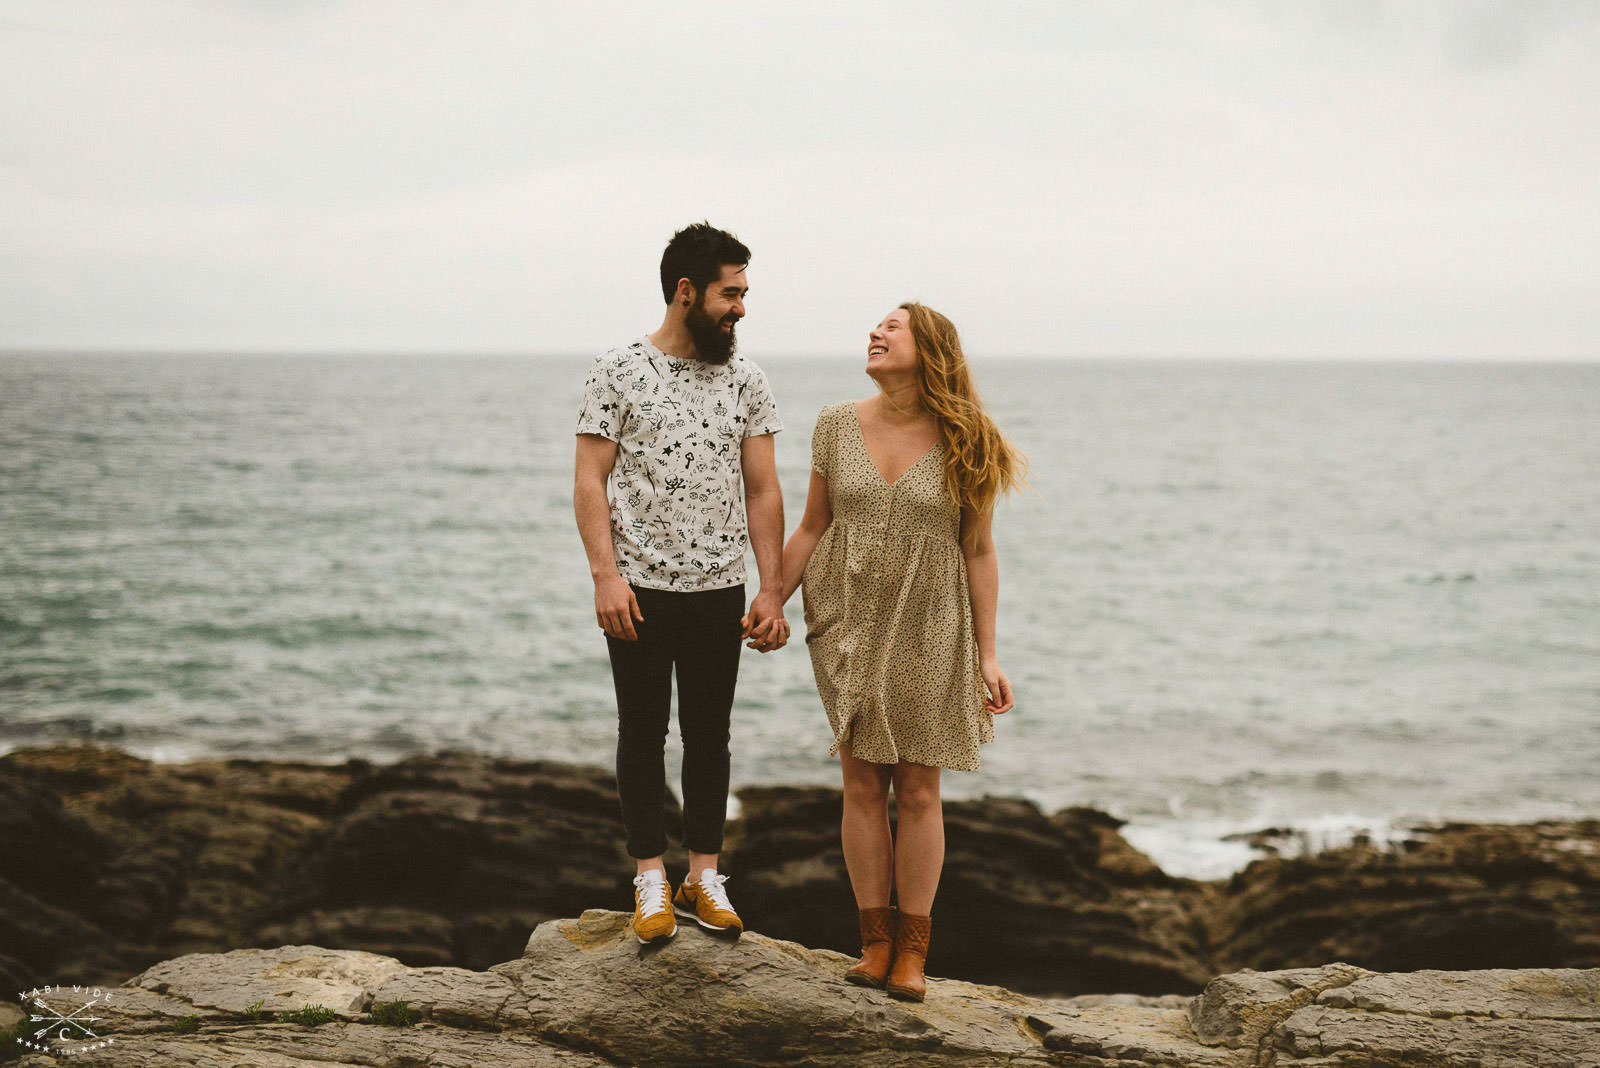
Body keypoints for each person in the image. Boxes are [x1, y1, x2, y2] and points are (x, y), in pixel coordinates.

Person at [778, 302, 1021, 1001]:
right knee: (860, 783)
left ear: (931, 349)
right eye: (874, 326)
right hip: (846, 618)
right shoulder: (834, 424)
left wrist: (989, 653)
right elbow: (811, 525)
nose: (875, 333)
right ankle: (873, 943)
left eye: (893, 326)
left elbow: (977, 549)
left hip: (931, 625)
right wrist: (772, 598)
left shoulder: (969, 437)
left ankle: (913, 952)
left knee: (917, 787)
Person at [574, 222, 789, 946]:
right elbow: (589, 479)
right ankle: (649, 879)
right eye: (732, 294)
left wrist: (771, 589)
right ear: (687, 291)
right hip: (637, 586)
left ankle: (703, 875)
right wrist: (605, 576)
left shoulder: (747, 380)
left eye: (745, 294)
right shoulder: (617, 370)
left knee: (710, 735)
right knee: (642, 733)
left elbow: (763, 490)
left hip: (720, 589)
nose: (741, 308)